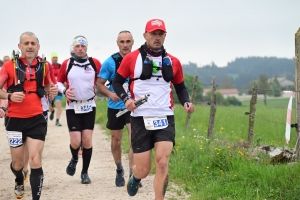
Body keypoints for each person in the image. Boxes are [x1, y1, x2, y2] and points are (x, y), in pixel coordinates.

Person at [112, 19, 195, 199]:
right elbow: (117, 82)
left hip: (165, 116)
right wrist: (126, 100)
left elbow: (180, 87)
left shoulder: (174, 61)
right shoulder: (132, 58)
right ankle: (135, 177)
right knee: (143, 169)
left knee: (163, 163)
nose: (157, 38)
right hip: (140, 117)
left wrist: (186, 102)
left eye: (160, 34)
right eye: (153, 34)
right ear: (145, 35)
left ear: (165, 36)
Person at [0, 31, 57, 200]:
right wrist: (9, 96)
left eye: (33, 43)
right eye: (26, 43)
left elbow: (48, 87)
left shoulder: (44, 65)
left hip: (37, 118)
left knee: (35, 159)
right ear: (20, 47)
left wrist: (51, 91)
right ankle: (19, 179)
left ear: (38, 46)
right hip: (15, 120)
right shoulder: (9, 66)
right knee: (18, 164)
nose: (30, 46)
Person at [96, 30, 142, 187]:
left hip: (133, 107)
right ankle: (119, 169)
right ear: (117, 43)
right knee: (116, 141)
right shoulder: (110, 62)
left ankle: (132, 173)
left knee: (133, 140)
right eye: (122, 42)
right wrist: (110, 93)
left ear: (132, 42)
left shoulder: (139, 60)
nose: (125, 45)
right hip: (115, 107)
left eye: (128, 41)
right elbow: (99, 84)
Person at [57, 35, 101, 184]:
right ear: (74, 48)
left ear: (86, 48)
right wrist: (64, 91)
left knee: (87, 140)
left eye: (83, 46)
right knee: (76, 142)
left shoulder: (94, 63)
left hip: (89, 105)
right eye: (77, 46)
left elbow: (102, 79)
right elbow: (58, 82)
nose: (80, 49)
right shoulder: (67, 63)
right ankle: (75, 158)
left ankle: (85, 172)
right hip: (72, 105)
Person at [48, 52, 63, 126]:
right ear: (51, 59)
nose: (55, 59)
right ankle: (52, 111)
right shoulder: (49, 67)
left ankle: (57, 120)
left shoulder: (60, 66)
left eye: (56, 57)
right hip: (50, 89)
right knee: (50, 107)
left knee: (58, 103)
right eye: (53, 57)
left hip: (58, 88)